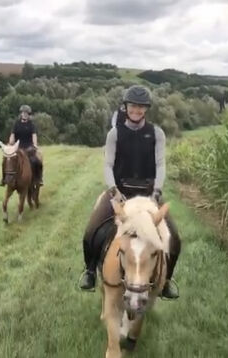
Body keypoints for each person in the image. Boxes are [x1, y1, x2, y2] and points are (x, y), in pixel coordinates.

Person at [77, 85, 181, 299]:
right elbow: (108, 165)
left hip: (148, 194)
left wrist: (157, 192)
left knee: (174, 238)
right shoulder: (115, 134)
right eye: (133, 106)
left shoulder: (156, 133)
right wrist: (113, 191)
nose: (137, 110)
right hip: (119, 193)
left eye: (141, 107)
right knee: (91, 230)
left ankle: (167, 281)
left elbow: (160, 165)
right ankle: (89, 271)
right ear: (125, 107)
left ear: (146, 109)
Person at [0, 104, 43, 186]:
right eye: (23, 113)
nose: (25, 114)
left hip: (29, 148)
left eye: (26, 113)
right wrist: (9, 144)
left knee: (37, 161)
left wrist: (35, 146)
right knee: (5, 160)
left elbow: (34, 136)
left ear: (29, 115)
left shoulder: (31, 125)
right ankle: (3, 179)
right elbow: (12, 137)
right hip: (18, 148)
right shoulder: (16, 124)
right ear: (21, 114)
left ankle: (38, 179)